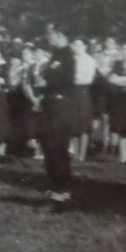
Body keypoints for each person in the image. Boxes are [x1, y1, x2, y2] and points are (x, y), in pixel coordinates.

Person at [38, 26, 77, 202]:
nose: (48, 39)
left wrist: (44, 81)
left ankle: (62, 188)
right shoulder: (57, 54)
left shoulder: (66, 55)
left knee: (57, 145)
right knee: (48, 144)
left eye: (50, 35)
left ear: (60, 35)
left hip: (60, 104)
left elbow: (60, 79)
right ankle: (54, 184)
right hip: (51, 102)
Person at [70, 38, 97, 162]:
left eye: (79, 45)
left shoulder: (90, 60)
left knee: (83, 125)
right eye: (74, 45)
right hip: (71, 92)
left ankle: (82, 154)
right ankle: (74, 153)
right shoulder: (70, 59)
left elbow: (88, 79)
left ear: (85, 47)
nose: (76, 47)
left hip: (83, 91)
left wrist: (73, 80)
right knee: (73, 124)